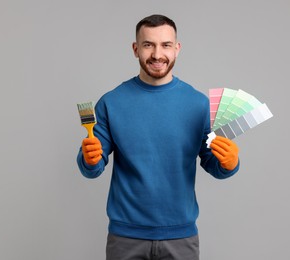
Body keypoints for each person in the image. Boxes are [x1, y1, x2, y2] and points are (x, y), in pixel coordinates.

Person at [77, 14, 240, 260]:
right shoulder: (111, 102)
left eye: (165, 45)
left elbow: (213, 164)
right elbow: (93, 166)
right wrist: (89, 160)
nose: (157, 54)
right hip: (125, 238)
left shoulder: (198, 105)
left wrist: (230, 164)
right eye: (148, 45)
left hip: (181, 238)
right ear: (135, 49)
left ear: (177, 49)